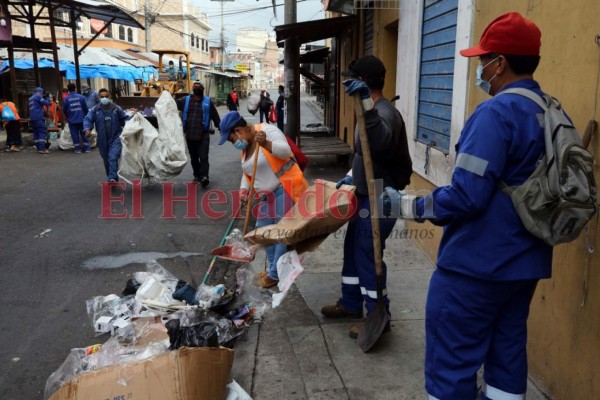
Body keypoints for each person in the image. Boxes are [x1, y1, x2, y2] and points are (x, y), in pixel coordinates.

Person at [390, 12, 552, 400]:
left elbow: (466, 195)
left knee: (452, 363)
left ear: (501, 63)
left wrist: (408, 206)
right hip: (524, 263)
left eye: (483, 60)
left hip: (476, 268)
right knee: (507, 355)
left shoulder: (495, 114)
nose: (480, 69)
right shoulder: (549, 112)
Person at [319, 55, 412, 339]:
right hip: (364, 191)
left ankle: (377, 315)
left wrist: (368, 108)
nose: (345, 83)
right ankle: (350, 302)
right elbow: (364, 155)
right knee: (352, 248)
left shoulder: (383, 113)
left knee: (369, 253)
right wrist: (351, 175)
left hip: (381, 196)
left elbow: (378, 143)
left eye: (351, 79)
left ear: (364, 83)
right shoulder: (366, 109)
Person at [218, 111, 309, 288]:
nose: (233, 143)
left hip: (285, 188)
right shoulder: (245, 147)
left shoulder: (267, 131)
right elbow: (249, 171)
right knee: (263, 232)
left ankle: (274, 274)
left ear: (238, 130)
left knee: (281, 235)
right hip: (265, 196)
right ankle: (274, 270)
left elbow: (285, 151)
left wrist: (266, 143)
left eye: (231, 139)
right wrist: (243, 191)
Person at [176, 80, 221, 187]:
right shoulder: (185, 100)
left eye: (199, 86)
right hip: (190, 134)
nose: (197, 88)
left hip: (203, 134)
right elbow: (173, 104)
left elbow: (215, 116)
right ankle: (197, 175)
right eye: (195, 86)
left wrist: (221, 127)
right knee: (194, 157)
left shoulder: (207, 102)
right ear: (192, 88)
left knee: (203, 157)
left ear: (202, 89)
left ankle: (205, 176)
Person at [83, 89, 130, 182]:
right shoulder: (95, 110)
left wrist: (134, 117)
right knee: (106, 159)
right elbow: (88, 120)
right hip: (102, 139)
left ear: (109, 97)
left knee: (112, 157)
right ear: (98, 98)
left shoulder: (116, 109)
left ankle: (112, 177)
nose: (104, 98)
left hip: (116, 137)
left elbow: (125, 119)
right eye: (102, 96)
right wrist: (87, 129)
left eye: (106, 96)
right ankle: (112, 177)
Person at [62, 82, 90, 153]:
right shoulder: (81, 97)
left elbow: (64, 110)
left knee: (74, 134)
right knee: (84, 133)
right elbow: (85, 108)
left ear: (68, 89)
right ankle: (87, 148)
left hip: (72, 119)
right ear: (75, 88)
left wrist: (68, 116)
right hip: (82, 119)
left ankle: (78, 149)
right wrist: (87, 116)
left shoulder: (66, 99)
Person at [28, 87, 52, 154]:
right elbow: (47, 103)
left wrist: (44, 112)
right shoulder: (38, 96)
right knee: (42, 132)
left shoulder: (30, 98)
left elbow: (36, 107)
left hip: (32, 118)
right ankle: (42, 149)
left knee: (36, 133)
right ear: (40, 92)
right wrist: (47, 97)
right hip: (38, 117)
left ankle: (38, 148)